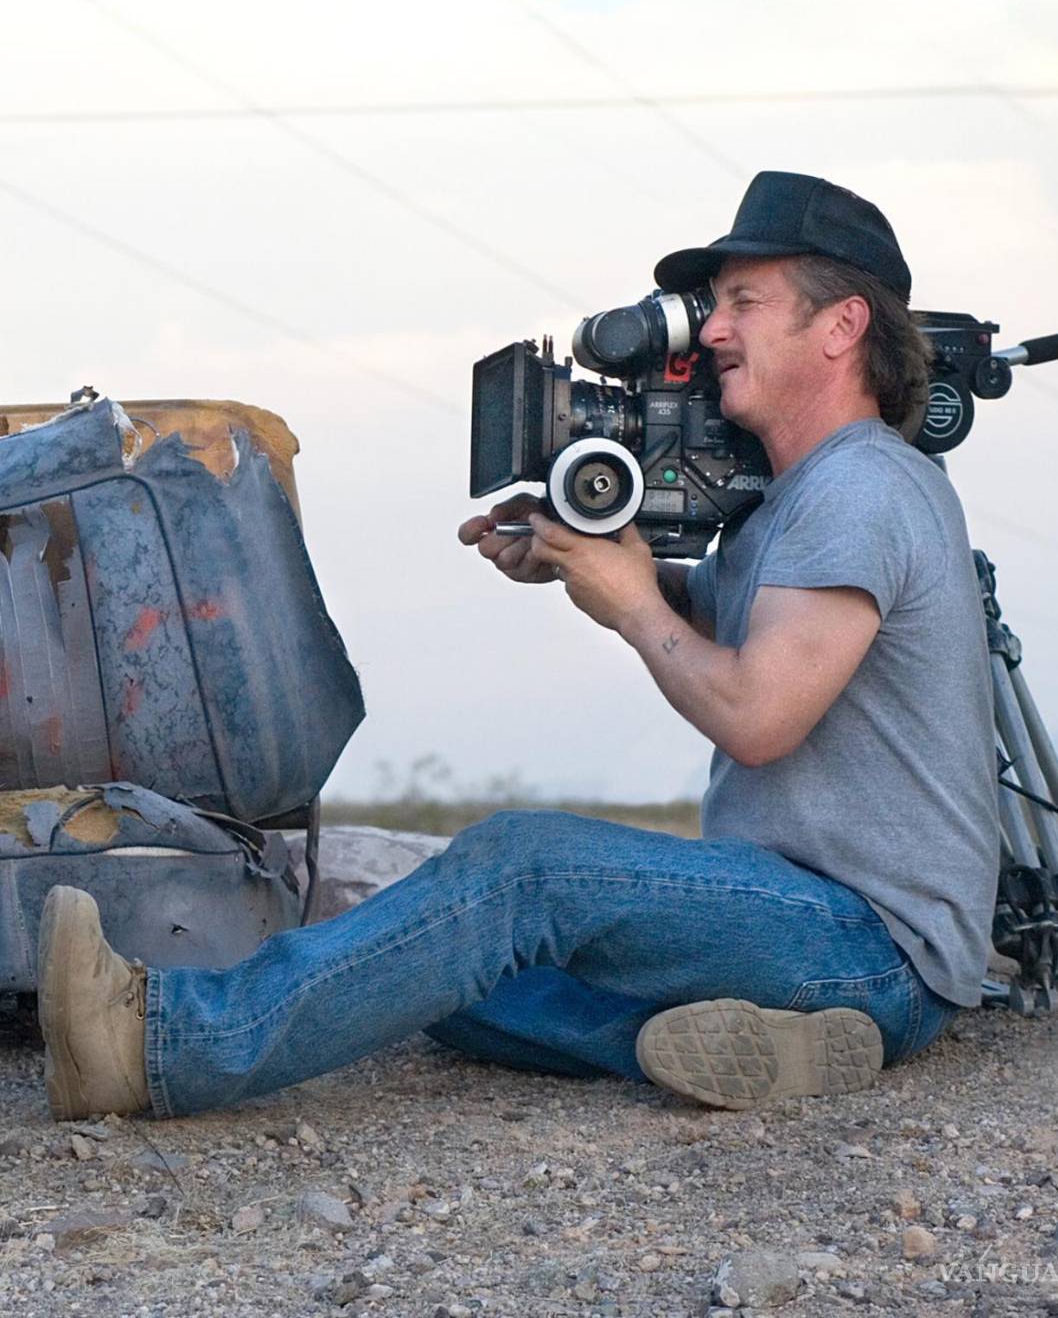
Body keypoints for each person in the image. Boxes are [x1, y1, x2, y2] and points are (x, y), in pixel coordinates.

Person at [36, 172, 999, 1122]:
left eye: (746, 302)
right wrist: (584, 556)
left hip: (872, 940)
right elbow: (721, 624)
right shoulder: (798, 498)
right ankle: (791, 1047)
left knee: (519, 868)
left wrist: (631, 603)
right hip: (792, 918)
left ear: (842, 328)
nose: (710, 330)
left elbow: (759, 715)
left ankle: (160, 1044)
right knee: (456, 980)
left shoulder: (865, 487)